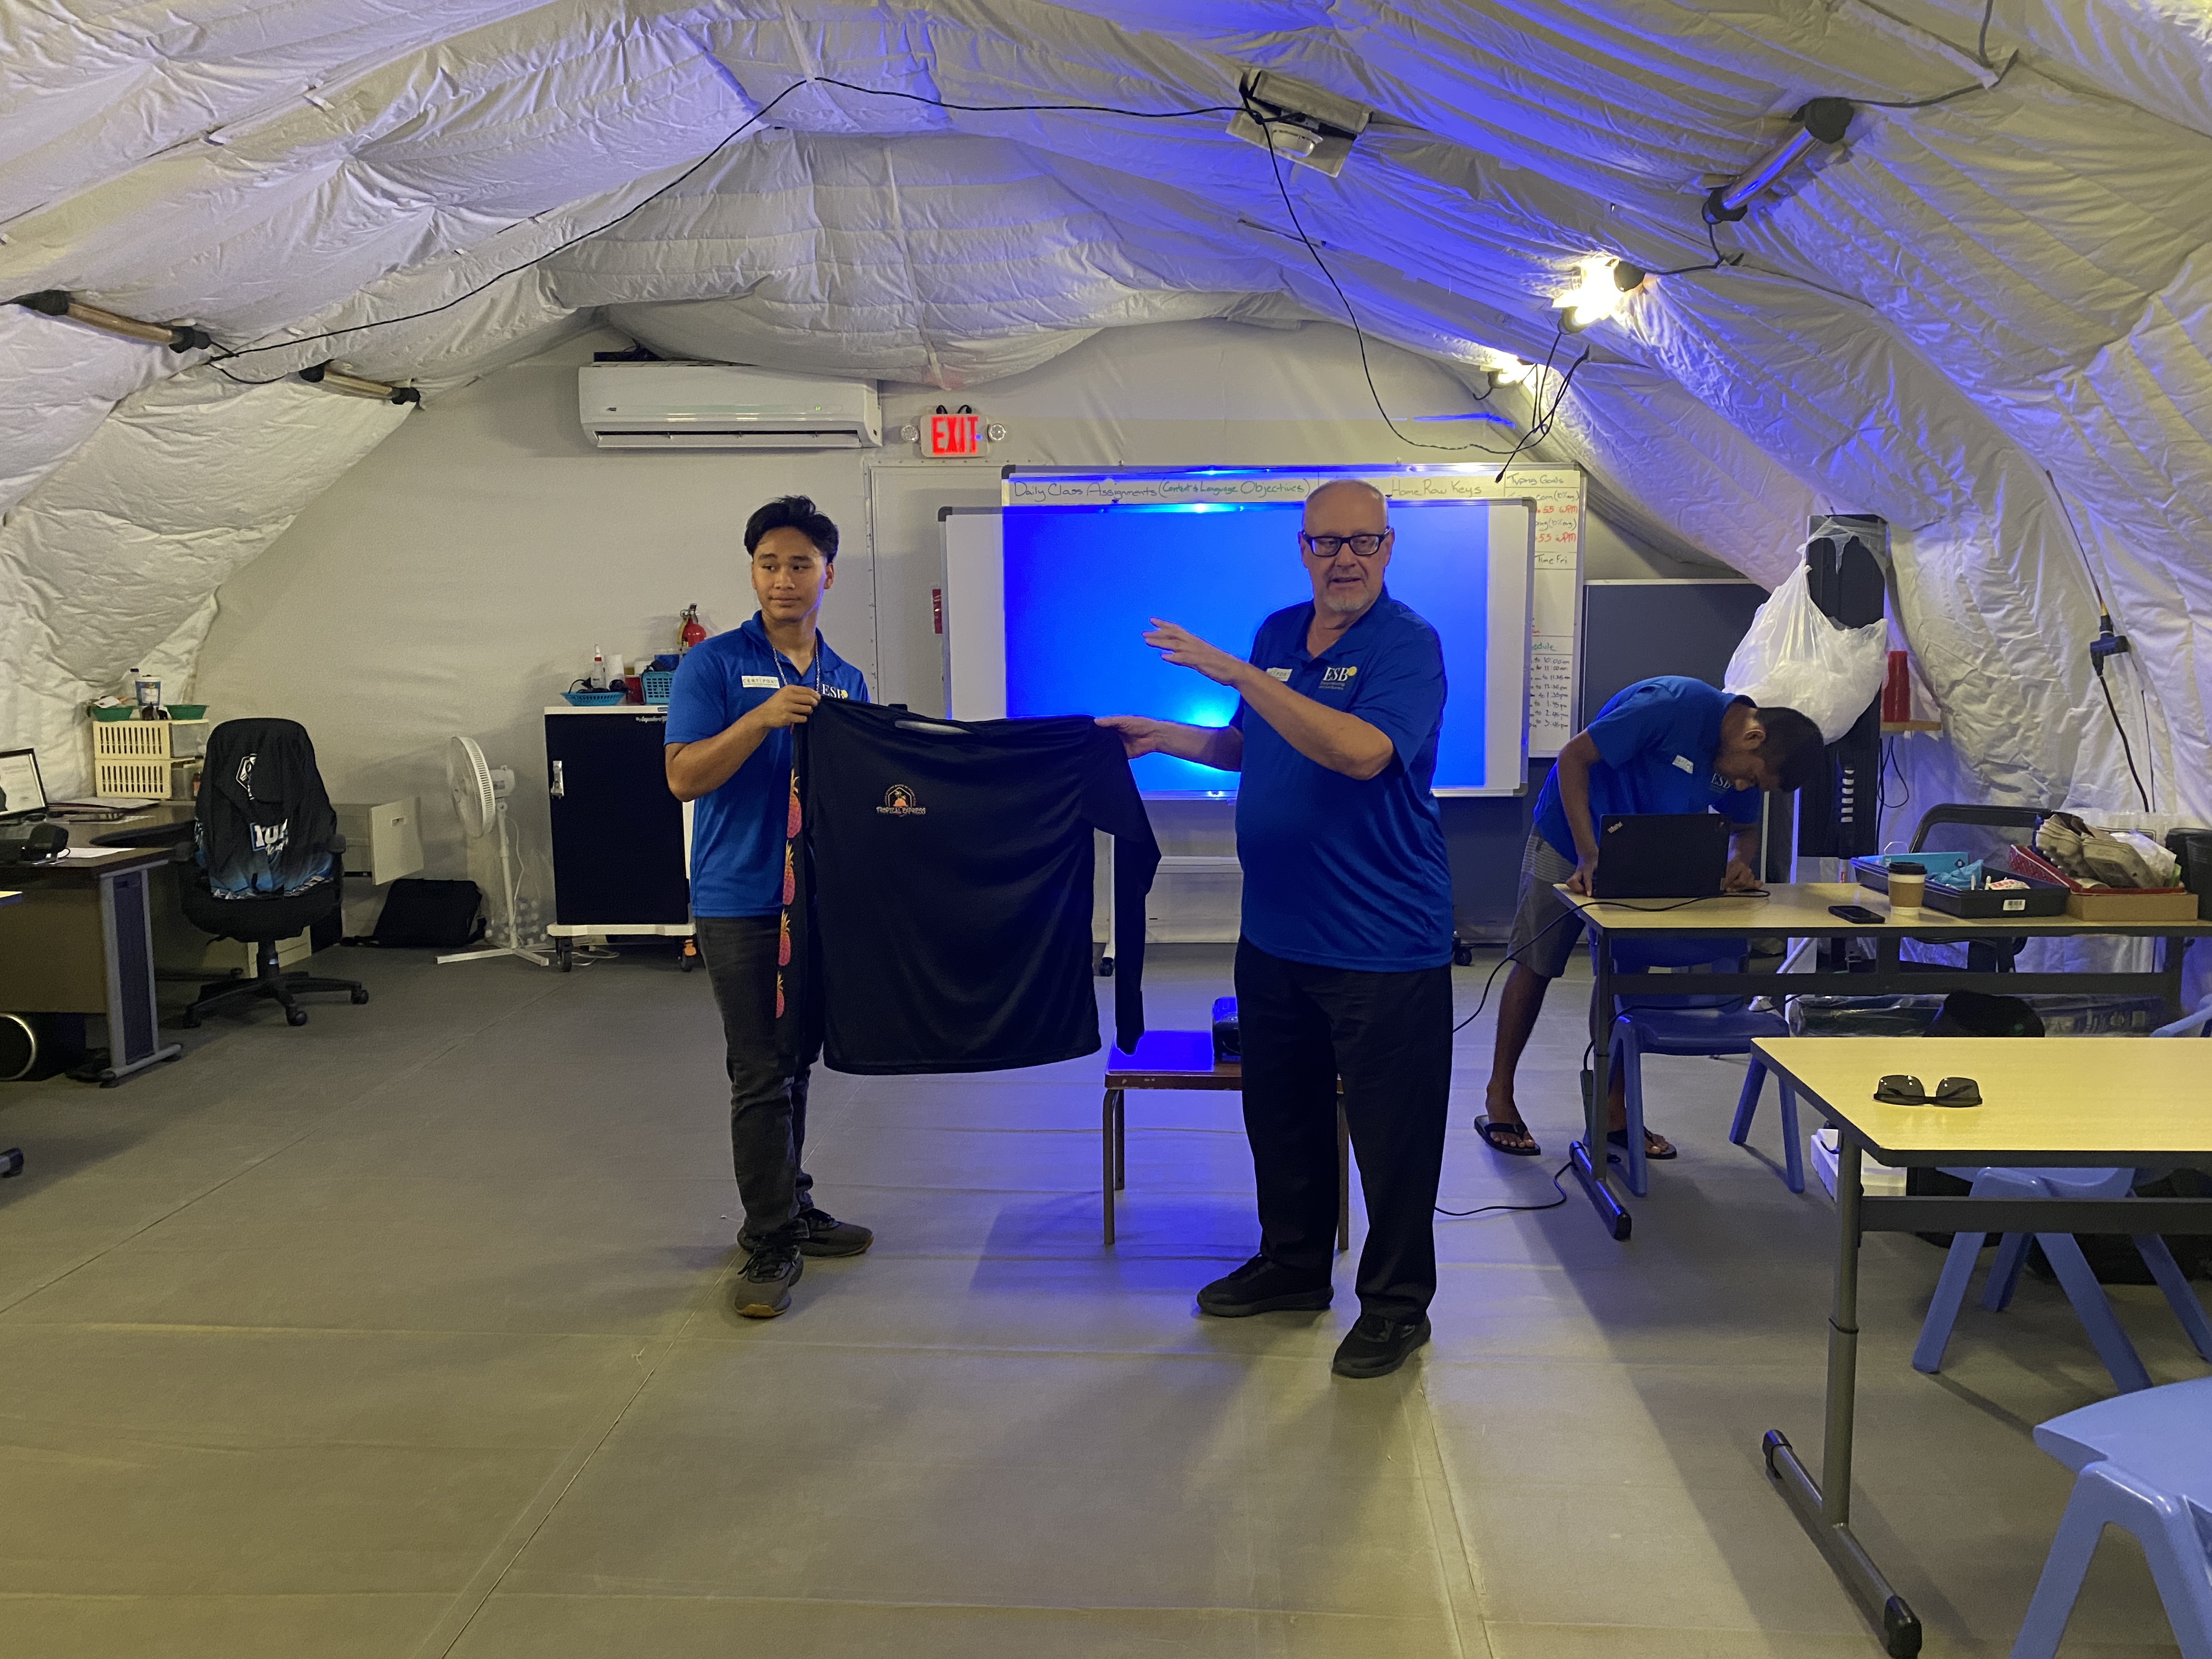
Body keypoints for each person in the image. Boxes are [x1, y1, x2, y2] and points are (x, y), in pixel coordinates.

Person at [1099, 478, 1453, 1381]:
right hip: (1276, 936)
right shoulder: (1275, 633)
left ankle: (1395, 1305)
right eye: (1325, 542)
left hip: (1381, 943)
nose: (1342, 558)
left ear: (1386, 548)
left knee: (1391, 1137)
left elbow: (1360, 751)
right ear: (1302, 547)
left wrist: (1240, 674)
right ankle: (1294, 1267)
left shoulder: (1406, 645)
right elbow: (1252, 742)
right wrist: (1162, 733)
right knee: (1282, 1117)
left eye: (1361, 542)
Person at [664, 495, 874, 1319]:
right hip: (740, 899)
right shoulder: (712, 667)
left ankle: (793, 1202)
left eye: (799, 564)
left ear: (828, 572)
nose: (783, 580)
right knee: (759, 1070)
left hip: (816, 904)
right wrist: (761, 719)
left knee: (796, 1060)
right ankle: (768, 1241)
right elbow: (684, 777)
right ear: (752, 570)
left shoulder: (845, 677)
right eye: (767, 564)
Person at [1476, 676, 1825, 1159]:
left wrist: (1741, 859)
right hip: (1569, 834)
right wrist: (1588, 854)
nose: (1744, 786)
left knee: (1626, 975)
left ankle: (1614, 1110)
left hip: (1646, 853)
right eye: (1751, 777)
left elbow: (1745, 826)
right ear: (1752, 737)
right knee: (1537, 963)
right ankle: (1500, 1095)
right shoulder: (1670, 707)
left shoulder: (1743, 758)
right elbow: (1572, 758)